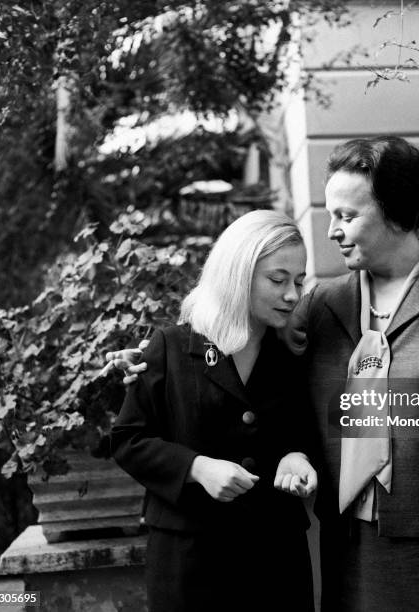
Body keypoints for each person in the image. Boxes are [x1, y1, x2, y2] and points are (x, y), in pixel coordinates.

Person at [108, 137, 419, 612]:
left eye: (347, 216)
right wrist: (152, 363)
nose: (332, 229)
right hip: (351, 549)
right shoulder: (321, 304)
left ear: (396, 213)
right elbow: (240, 348)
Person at [109, 210, 317, 612]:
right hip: (190, 564)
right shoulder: (170, 347)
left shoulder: (292, 356)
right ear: (237, 275)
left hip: (276, 560)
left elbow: (302, 431)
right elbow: (128, 440)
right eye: (278, 279)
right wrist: (197, 467)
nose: (292, 294)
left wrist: (297, 455)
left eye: (299, 281)